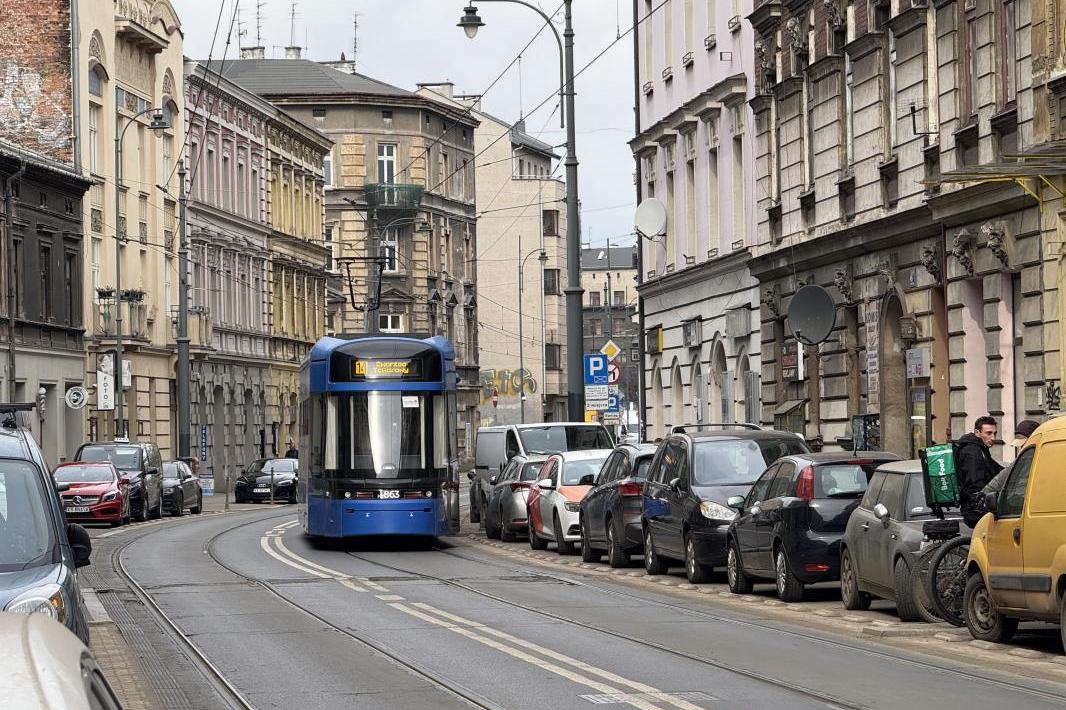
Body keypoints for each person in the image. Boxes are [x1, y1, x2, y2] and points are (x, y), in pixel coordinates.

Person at [955, 416, 1003, 527]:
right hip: (976, 511)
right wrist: (982, 506)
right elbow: (974, 482)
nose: (993, 437)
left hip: (977, 508)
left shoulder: (980, 449)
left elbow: (998, 470)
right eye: (988, 433)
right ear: (977, 432)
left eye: (995, 433)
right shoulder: (972, 451)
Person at [982, 419, 1040, 499]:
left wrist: (984, 493)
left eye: (1024, 443)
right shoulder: (1024, 457)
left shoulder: (1031, 457)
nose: (1021, 447)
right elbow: (1003, 476)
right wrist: (984, 493)